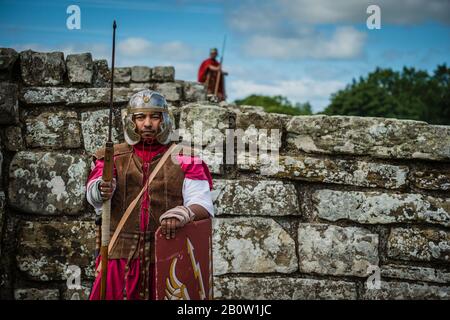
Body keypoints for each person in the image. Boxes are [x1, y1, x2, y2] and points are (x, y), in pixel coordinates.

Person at [86, 89, 214, 300]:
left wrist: (183, 213)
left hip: (167, 257)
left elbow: (203, 204)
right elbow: (93, 193)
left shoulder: (186, 158)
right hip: (120, 257)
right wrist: (101, 189)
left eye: (154, 117)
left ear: (164, 120)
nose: (147, 123)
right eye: (140, 117)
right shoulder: (111, 157)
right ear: (131, 121)